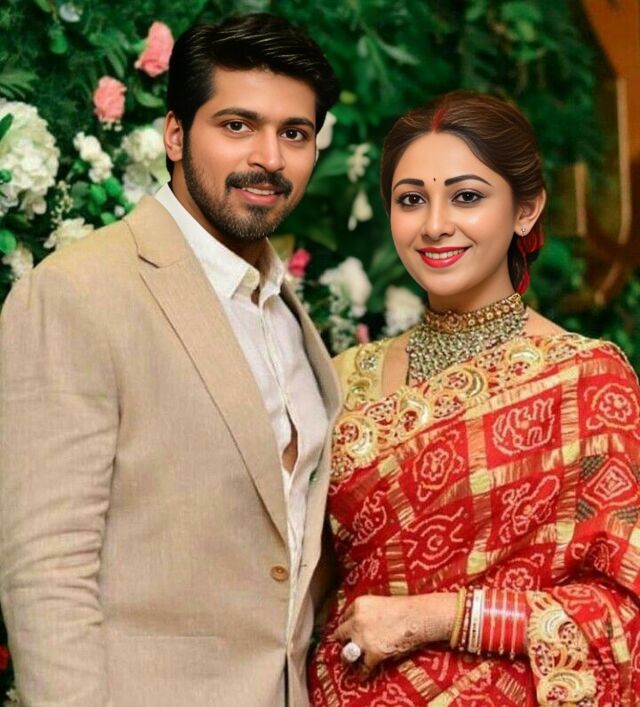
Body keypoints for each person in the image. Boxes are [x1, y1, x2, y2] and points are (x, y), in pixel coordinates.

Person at [0, 13, 341, 707]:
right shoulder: (78, 293)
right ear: (177, 135)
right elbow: (46, 572)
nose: (270, 158)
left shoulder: (285, 309)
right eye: (237, 125)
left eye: (294, 133)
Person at [308, 91, 640, 705]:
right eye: (411, 200)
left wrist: (438, 617)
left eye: (466, 197)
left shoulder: (587, 378)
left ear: (526, 210)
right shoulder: (345, 378)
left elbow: (622, 615)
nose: (435, 225)